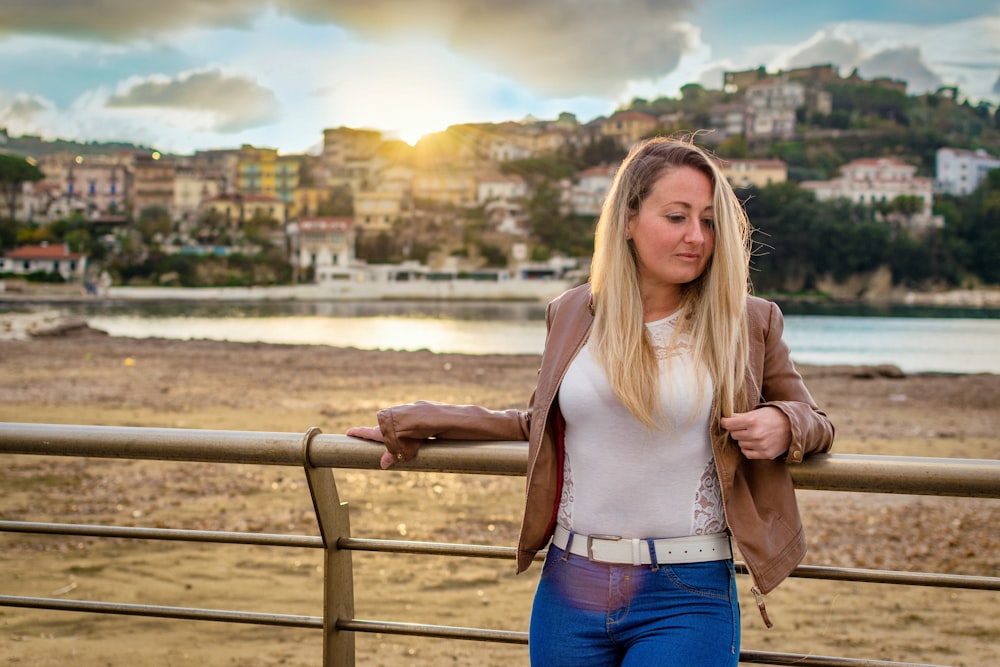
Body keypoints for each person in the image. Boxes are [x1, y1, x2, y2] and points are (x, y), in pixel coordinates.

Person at [347, 136, 835, 666]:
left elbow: (817, 420)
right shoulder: (573, 311)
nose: (697, 236)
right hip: (569, 585)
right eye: (677, 217)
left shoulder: (749, 320)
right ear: (628, 219)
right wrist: (421, 422)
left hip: (686, 593)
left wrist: (784, 424)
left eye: (710, 220)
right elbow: (541, 418)